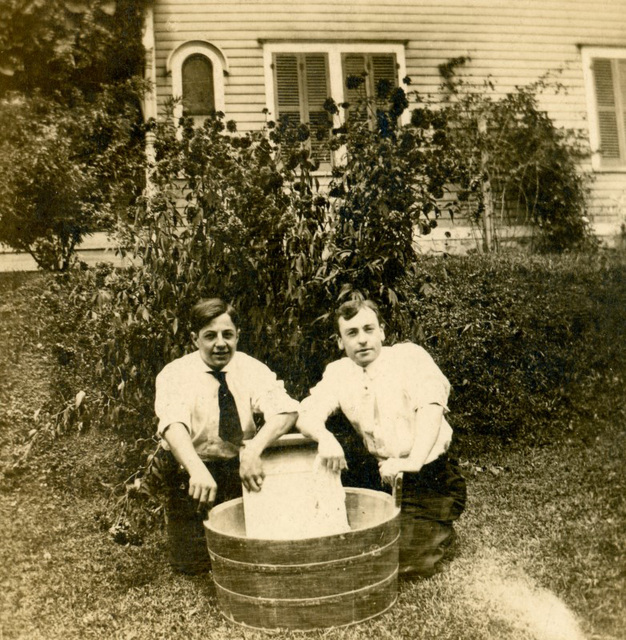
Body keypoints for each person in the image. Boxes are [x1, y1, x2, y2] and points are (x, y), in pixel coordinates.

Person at [296, 298, 466, 578]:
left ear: (382, 332)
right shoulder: (339, 372)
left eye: (368, 329)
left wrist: (413, 461)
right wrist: (324, 437)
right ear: (340, 341)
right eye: (351, 333)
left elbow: (431, 407)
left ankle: (439, 527)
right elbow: (306, 414)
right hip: (379, 473)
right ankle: (412, 523)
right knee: (351, 543)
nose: (362, 340)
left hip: (429, 473)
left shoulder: (409, 357)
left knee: (402, 562)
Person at [154, 298, 299, 573]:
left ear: (237, 336)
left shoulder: (251, 368)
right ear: (194, 338)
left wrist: (254, 451)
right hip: (191, 473)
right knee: (191, 565)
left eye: (227, 335)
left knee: (248, 555)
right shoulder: (175, 374)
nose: (220, 344)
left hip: (237, 469)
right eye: (210, 336)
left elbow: (287, 411)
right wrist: (195, 469)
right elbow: (173, 425)